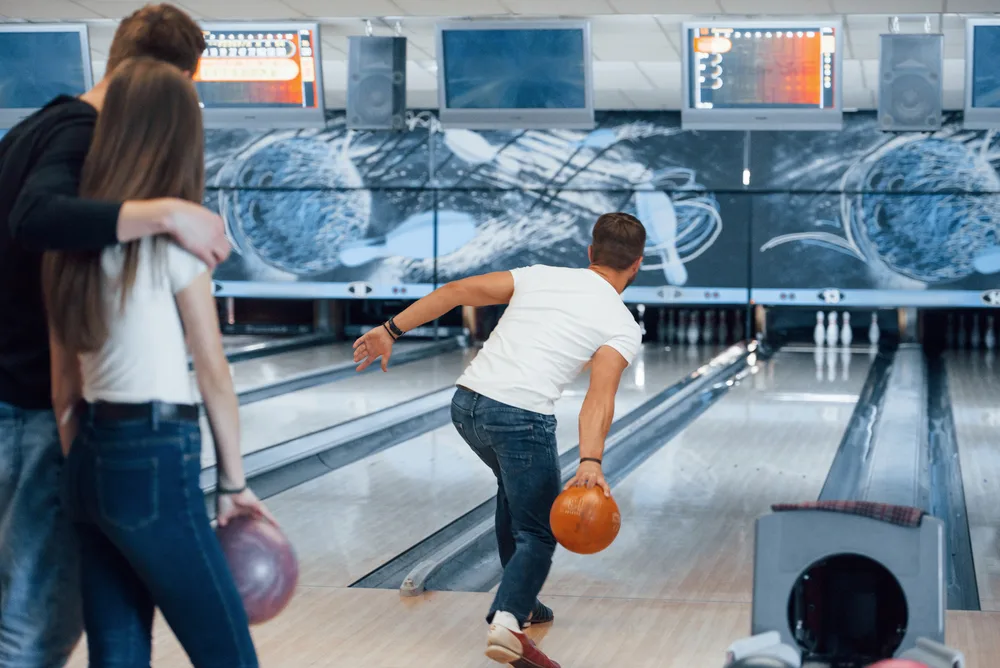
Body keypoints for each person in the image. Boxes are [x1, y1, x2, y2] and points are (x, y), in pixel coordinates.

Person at [0, 5, 227, 665]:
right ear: (171, 82)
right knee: (35, 626)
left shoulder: (31, 129)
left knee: (47, 618)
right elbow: (37, 217)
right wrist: (169, 211)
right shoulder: (77, 132)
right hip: (32, 405)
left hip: (24, 396)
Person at [43, 57, 270, 667]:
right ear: (177, 139)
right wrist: (233, 485)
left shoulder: (68, 248)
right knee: (228, 652)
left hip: (87, 456)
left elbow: (64, 388)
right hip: (151, 451)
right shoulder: (173, 240)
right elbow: (214, 375)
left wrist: (85, 464)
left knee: (117, 653)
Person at [353, 212, 646, 668]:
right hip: (520, 418)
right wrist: (590, 459)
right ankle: (508, 624)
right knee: (539, 531)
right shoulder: (622, 323)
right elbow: (598, 397)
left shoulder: (539, 276)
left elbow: (453, 293)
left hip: (467, 405)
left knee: (514, 492)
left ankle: (524, 602)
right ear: (638, 264)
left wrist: (390, 330)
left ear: (590, 253)